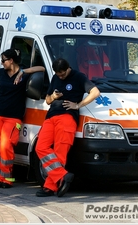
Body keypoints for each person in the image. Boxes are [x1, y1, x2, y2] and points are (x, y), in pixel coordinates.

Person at [35, 58, 100, 197]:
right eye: (58, 74)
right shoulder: (55, 77)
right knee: (40, 147)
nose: (60, 76)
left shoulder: (79, 77)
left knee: (60, 153)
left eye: (62, 74)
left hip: (67, 117)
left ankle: (49, 187)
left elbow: (95, 92)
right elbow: (47, 100)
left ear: (68, 68)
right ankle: (62, 175)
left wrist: (77, 105)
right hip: (51, 116)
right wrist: (53, 96)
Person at [0, 48, 45, 188]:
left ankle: (7, 178)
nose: (2, 63)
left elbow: (41, 68)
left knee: (6, 147)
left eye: (4, 60)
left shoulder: (23, 74)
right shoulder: (0, 73)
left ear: (11, 60)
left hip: (13, 116)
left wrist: (24, 72)